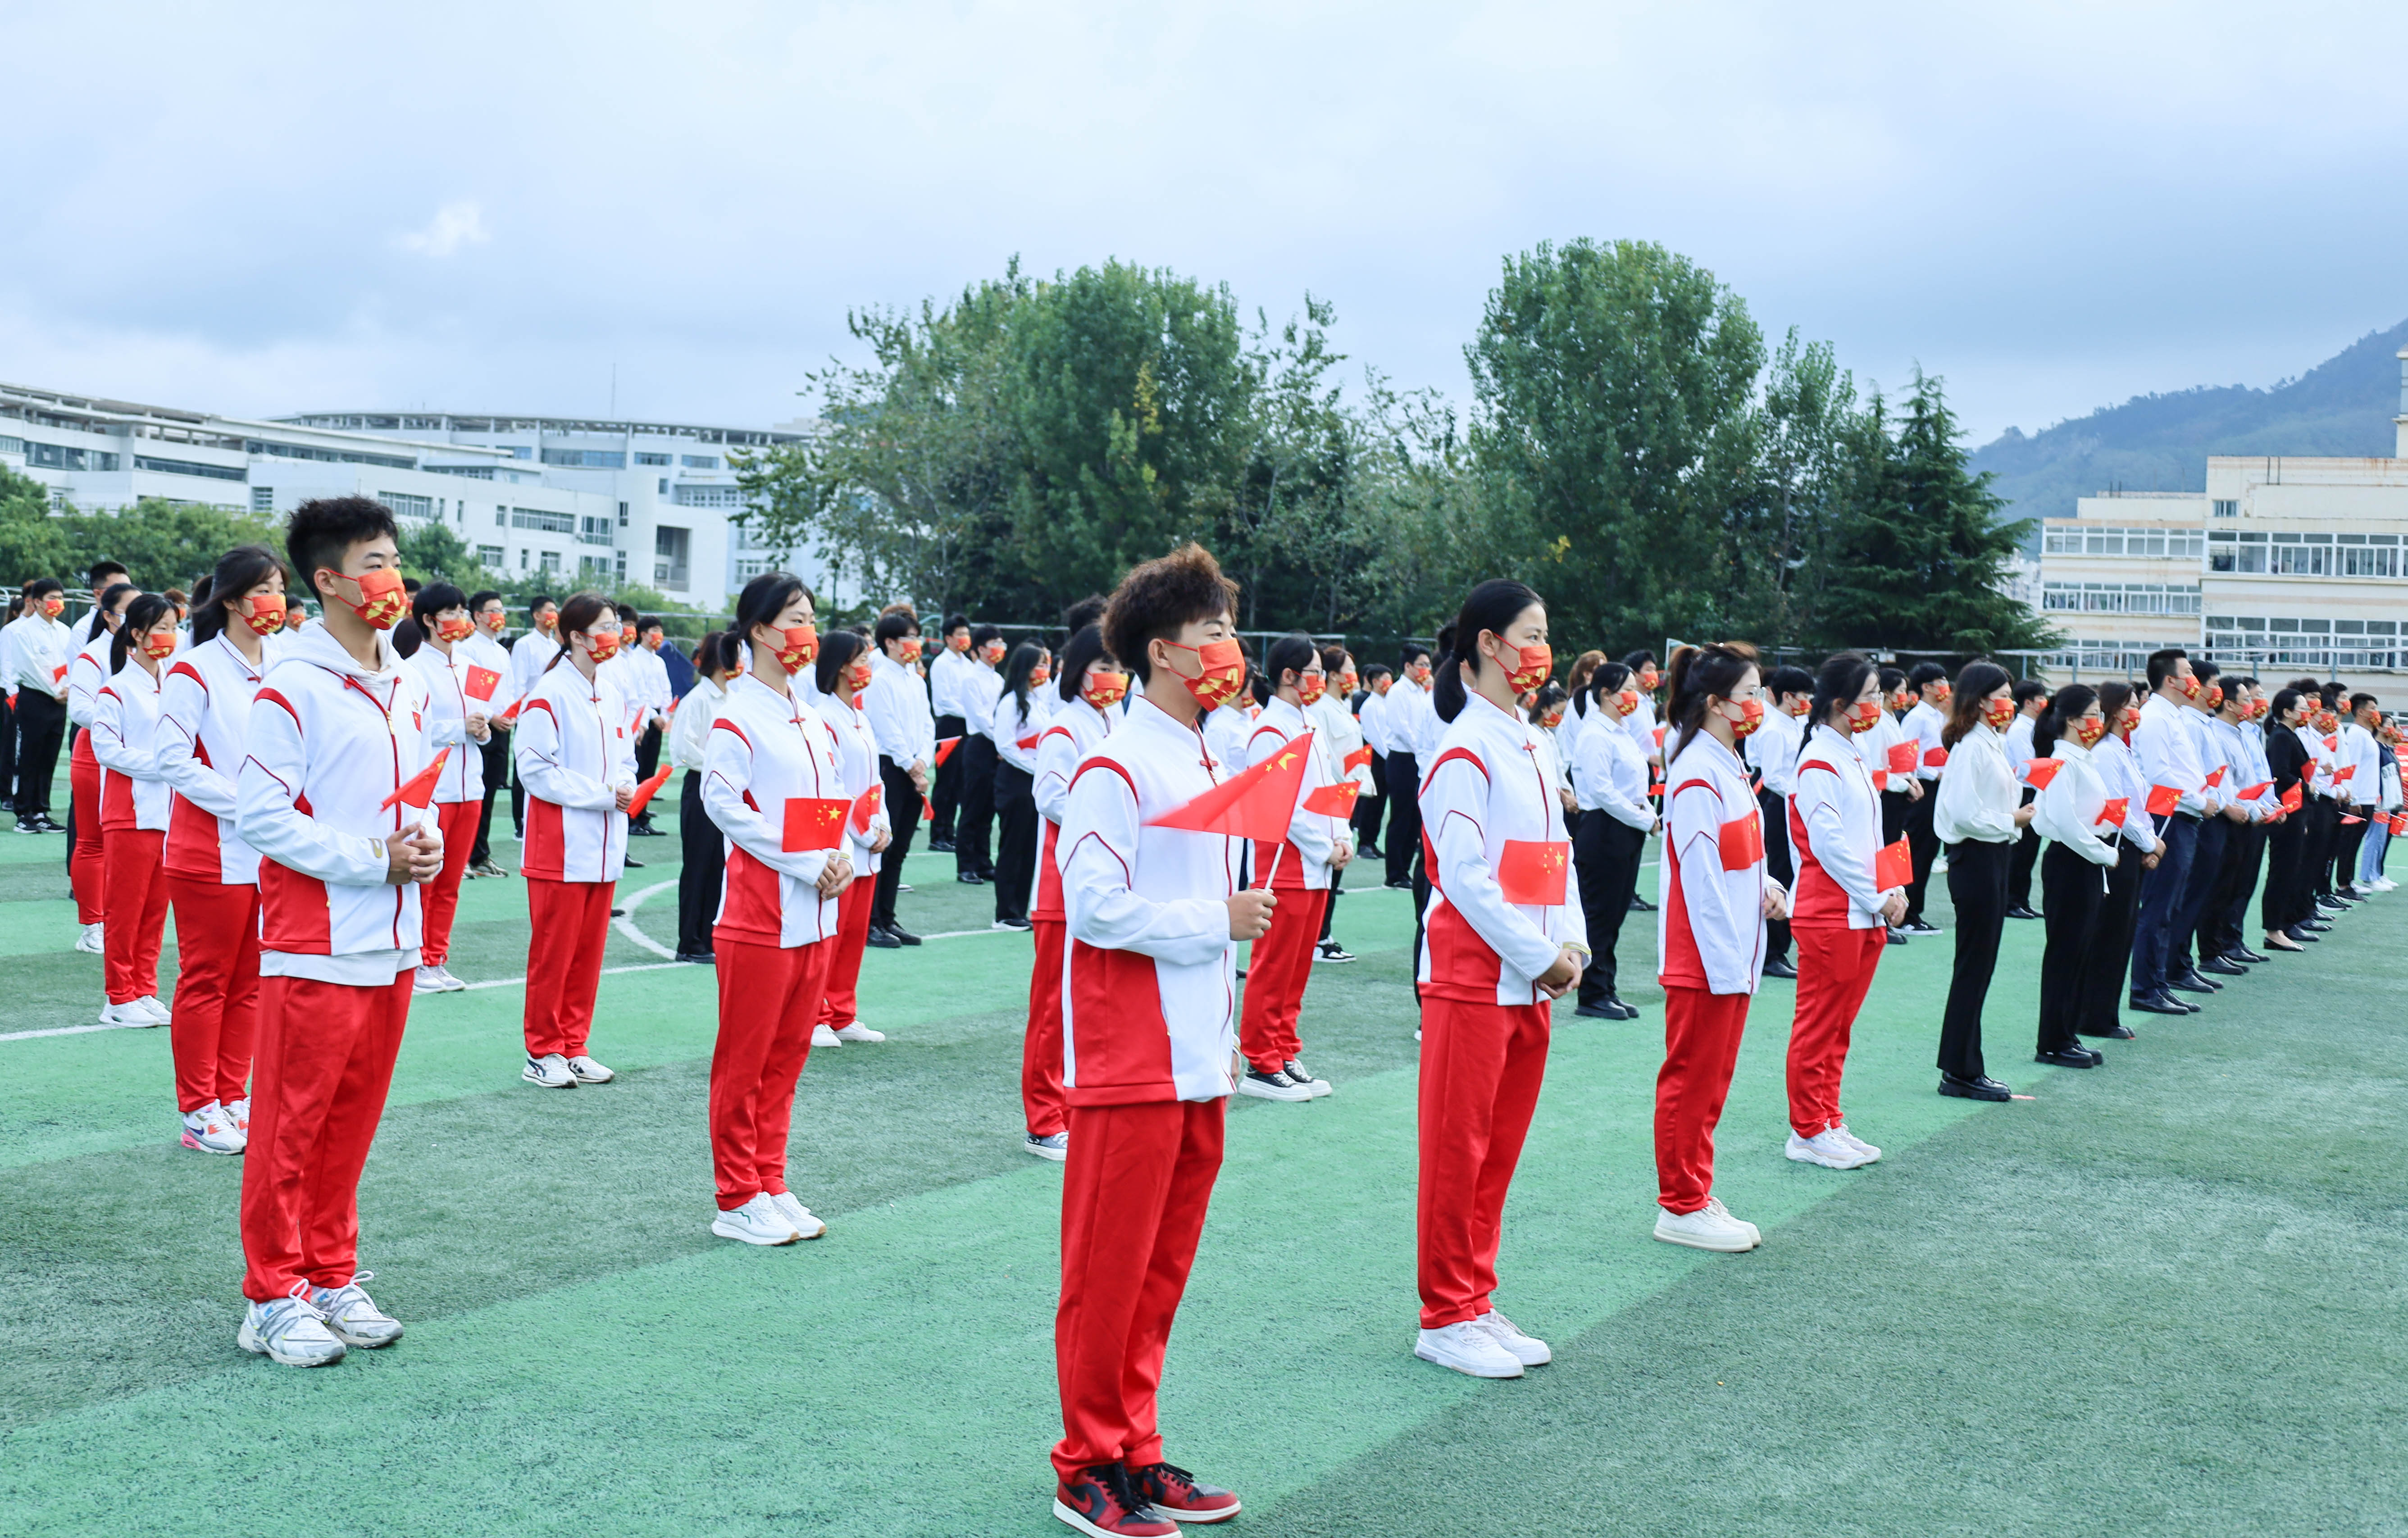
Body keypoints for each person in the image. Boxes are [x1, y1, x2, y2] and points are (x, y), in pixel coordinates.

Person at [1048, 543, 1258, 1533]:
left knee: (1159, 1270)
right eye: (1213, 631)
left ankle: (1137, 1446)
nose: (1230, 648)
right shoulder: (1114, 761)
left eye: (1230, 629)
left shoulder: (1208, 755)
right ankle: (1085, 1465)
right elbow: (1093, 906)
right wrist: (1218, 920)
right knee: (1107, 1273)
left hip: (1195, 1053)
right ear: (1162, 652)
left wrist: (1226, 1021)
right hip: (1130, 1053)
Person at [233, 494, 441, 1368]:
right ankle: (270, 1296)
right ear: (328, 580)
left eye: (394, 560)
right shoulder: (293, 685)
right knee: (291, 1128)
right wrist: (372, 860)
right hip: (316, 940)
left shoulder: (407, 679)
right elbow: (262, 815)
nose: (393, 578)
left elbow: (410, 795)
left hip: (391, 939)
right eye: (374, 564)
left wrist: (423, 841)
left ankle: (328, 1274)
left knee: (350, 1124)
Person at [1410, 581, 1585, 1379]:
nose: (1543, 650)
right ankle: (1445, 1315)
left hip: (1529, 977)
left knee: (1498, 1150)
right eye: (1532, 634)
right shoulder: (1463, 749)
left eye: (1547, 635)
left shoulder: (1533, 742)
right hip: (1474, 977)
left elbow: (1556, 857)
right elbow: (1465, 875)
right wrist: (1538, 953)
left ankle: (1476, 1296)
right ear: (1488, 643)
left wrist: (1571, 940)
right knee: (1459, 1150)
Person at [699, 573, 851, 1247]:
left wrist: (839, 855)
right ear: (759, 631)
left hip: (814, 914)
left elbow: (830, 800)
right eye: (794, 619)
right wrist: (804, 862)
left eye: (811, 618)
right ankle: (736, 1196)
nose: (807, 631)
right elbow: (723, 803)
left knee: (787, 1057)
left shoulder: (811, 716)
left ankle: (770, 1178)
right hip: (759, 916)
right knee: (746, 1063)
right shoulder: (737, 715)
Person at [1652, 641, 1784, 1251]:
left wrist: (1767, 886)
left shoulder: (1726, 762)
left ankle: (1695, 1192)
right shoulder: (1696, 772)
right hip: (1705, 958)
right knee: (1691, 1083)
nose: (1759, 705)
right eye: (1750, 694)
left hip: (1731, 953)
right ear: (1715, 703)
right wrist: (1725, 964)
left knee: (1710, 1084)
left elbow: (1738, 855)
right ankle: (1680, 1205)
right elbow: (1700, 878)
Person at [157, 546, 287, 1154]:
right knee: (208, 980)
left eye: (280, 588)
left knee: (252, 981)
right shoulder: (195, 668)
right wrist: (249, 802)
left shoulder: (286, 663)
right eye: (263, 589)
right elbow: (173, 760)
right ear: (232, 600)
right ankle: (198, 1109)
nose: (275, 601)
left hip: (272, 850)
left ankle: (234, 1096)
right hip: (209, 849)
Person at [1783, 652, 1903, 1169]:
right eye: (1870, 696)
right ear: (1839, 703)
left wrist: (1890, 888)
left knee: (1838, 1027)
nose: (1879, 704)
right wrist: (1877, 896)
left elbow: (1867, 837)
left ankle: (1827, 1118)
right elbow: (1829, 844)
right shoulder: (1818, 760)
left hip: (1860, 911)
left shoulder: (1850, 753)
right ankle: (1807, 1130)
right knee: (1818, 1026)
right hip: (1831, 912)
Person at [512, 592, 635, 1089]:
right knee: (554, 955)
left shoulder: (611, 690)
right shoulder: (549, 692)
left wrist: (624, 784)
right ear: (576, 636)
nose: (614, 634)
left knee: (587, 954)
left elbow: (625, 757)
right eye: (604, 626)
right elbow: (535, 771)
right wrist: (604, 795)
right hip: (559, 847)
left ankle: (574, 1045)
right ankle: (542, 1051)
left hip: (604, 844)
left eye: (615, 625)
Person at [1234, 632, 1350, 1102]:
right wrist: (1324, 847)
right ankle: (1261, 1061)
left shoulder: (1309, 723)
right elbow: (1279, 805)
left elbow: (1327, 789)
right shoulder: (1269, 730)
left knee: (1297, 967)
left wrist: (1341, 836)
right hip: (1283, 867)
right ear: (1289, 676)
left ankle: (1283, 1050)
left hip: (1314, 866)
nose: (1320, 681)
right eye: (1315, 673)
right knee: (1274, 966)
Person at [1024, 623, 1124, 1162]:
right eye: (1104, 666)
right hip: (1062, 886)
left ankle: (1073, 1107)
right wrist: (1105, 818)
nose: (1115, 677)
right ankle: (1044, 1120)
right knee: (1052, 1009)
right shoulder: (1064, 728)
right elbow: (1050, 797)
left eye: (1120, 667)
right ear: (1078, 670)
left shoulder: (1115, 722)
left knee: (1089, 1006)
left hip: (1103, 883)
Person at [1930, 662, 2029, 1100]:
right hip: (1975, 858)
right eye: (2002, 695)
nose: (2009, 703)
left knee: (1979, 965)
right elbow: (1962, 814)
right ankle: (1960, 1070)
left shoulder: (1990, 743)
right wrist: (2012, 819)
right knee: (1973, 966)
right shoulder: (1971, 747)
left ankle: (1965, 1065)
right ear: (1981, 700)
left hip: (1992, 855)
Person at [397, 583, 493, 994]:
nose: (459, 620)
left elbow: (480, 724)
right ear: (429, 620)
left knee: (451, 882)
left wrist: (482, 731)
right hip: (435, 792)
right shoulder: (413, 670)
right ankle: (416, 960)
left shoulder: (471, 666)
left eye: (461, 612)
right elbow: (413, 730)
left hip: (470, 786)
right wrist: (459, 728)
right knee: (427, 881)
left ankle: (437, 959)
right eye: (450, 613)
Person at [91, 593, 182, 1029]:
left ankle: (144, 989)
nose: (170, 637)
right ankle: (118, 997)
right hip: (130, 812)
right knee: (125, 910)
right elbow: (106, 749)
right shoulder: (117, 689)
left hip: (168, 812)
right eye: (162, 628)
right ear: (138, 634)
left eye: (174, 628)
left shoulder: (176, 686)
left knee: (154, 911)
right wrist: (163, 766)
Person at [811, 629, 894, 1047]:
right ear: (842, 666)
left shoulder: (860, 716)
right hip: (842, 841)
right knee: (831, 933)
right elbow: (834, 786)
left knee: (854, 935)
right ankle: (816, 1017)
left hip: (869, 842)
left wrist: (884, 825)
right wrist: (863, 831)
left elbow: (875, 781)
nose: (868, 668)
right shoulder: (822, 716)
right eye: (862, 660)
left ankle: (843, 1013)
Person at [2028, 684, 2117, 1069]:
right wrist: (2104, 852)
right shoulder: (2062, 761)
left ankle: (2065, 1034)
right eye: (2092, 715)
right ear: (2071, 720)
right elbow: (2062, 823)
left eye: (2099, 715)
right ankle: (2052, 1041)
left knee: (2079, 951)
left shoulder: (2080, 758)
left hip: (2083, 860)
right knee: (2065, 952)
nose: (2098, 722)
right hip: (2071, 861)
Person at [2126, 649, 2212, 1015]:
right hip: (2169, 817)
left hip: (2183, 818)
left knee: (2170, 908)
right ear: (2170, 680)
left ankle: (2159, 984)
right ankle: (2145, 989)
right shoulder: (2155, 718)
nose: (2194, 680)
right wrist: (2199, 800)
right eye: (2188, 672)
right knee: (2158, 908)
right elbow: (2158, 775)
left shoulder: (2173, 715)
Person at [1569, 663, 1651, 1020]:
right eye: (1627, 689)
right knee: (1600, 913)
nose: (1634, 695)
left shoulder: (1622, 732)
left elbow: (1635, 786)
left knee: (1615, 912)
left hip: (1626, 826)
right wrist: (1644, 819)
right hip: (1603, 828)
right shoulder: (1595, 734)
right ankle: (1591, 993)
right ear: (1605, 694)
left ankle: (1606, 987)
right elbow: (1602, 791)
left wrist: (1646, 814)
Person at [2081, 682, 2164, 1031]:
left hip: (2132, 848)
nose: (2137, 710)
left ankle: (2106, 1014)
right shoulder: (2104, 752)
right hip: (2118, 850)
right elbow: (2118, 811)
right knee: (2110, 934)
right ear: (2114, 710)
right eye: (2132, 704)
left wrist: (2149, 842)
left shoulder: (2122, 749)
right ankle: (2094, 1016)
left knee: (2122, 933)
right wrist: (2148, 843)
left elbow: (2139, 806)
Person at [67, 582, 139, 952]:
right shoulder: (93, 654)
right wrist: (121, 718)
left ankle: (121, 920)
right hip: (95, 754)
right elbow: (79, 709)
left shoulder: (147, 654)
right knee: (93, 841)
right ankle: (93, 925)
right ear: (109, 616)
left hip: (138, 756)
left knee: (132, 843)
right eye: (129, 610)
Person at [862, 610, 933, 946]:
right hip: (892, 768)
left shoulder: (916, 680)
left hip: (913, 770)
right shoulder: (880, 679)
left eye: (917, 637)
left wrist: (923, 761)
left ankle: (888, 918)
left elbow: (928, 724)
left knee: (901, 848)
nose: (916, 643)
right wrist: (911, 765)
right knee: (884, 847)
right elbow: (886, 728)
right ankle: (871, 921)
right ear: (890, 642)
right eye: (910, 637)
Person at [1749, 664, 1812, 979]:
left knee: (1790, 874)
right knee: (1779, 875)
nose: (1808, 702)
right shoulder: (1774, 729)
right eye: (1804, 696)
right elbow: (1773, 776)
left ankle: (1779, 949)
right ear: (1787, 697)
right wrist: (1801, 792)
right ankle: (1770, 952)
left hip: (1793, 805)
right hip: (1779, 805)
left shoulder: (1796, 725)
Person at [1308, 643, 1367, 964]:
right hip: (1333, 795)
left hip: (1348, 793)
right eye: (1349, 670)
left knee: (1338, 866)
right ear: (1332, 675)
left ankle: (1323, 934)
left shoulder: (1341, 706)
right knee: (1330, 866)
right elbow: (1327, 758)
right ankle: (1318, 938)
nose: (1353, 676)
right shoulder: (1320, 709)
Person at [989, 640, 1052, 932]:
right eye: (1040, 664)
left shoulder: (1039, 700)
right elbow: (1005, 745)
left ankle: (1020, 909)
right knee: (1013, 846)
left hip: (1035, 781)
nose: (1045, 670)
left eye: (1046, 664)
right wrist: (1036, 768)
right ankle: (1005, 913)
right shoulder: (1011, 702)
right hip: (1016, 780)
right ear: (1025, 668)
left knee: (1030, 848)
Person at [4, 577, 73, 833]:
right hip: (34, 699)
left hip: (59, 701)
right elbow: (29, 669)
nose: (57, 603)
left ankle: (41, 810)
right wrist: (56, 691)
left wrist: (67, 689)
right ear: (36, 602)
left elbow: (70, 664)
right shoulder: (23, 632)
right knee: (29, 756)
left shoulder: (65, 631)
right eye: (52, 598)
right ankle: (24, 813)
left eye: (60, 598)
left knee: (49, 756)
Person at [462, 591, 517, 878]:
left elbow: (509, 690)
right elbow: (474, 694)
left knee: (491, 791)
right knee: (475, 793)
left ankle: (480, 854)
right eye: (494, 610)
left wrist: (510, 714)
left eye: (501, 610)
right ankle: (466, 855)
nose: (500, 615)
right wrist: (493, 717)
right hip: (482, 728)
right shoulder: (470, 650)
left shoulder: (501, 652)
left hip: (502, 729)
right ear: (478, 616)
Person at [1897, 661, 1951, 934]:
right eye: (1940, 682)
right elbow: (1907, 759)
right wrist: (1933, 774)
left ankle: (1914, 911)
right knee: (1917, 852)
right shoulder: (1917, 717)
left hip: (1938, 788)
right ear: (1927, 687)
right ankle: (1906, 914)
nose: (1946, 686)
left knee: (1929, 851)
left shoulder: (1939, 716)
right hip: (1923, 789)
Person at [956, 623, 1008, 887]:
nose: (999, 648)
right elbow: (981, 718)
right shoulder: (971, 678)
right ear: (980, 649)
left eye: (1001, 643)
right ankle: (966, 866)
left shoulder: (999, 679)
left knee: (989, 808)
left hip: (998, 746)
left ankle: (984, 862)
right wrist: (1002, 743)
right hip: (980, 745)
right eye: (994, 644)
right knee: (973, 807)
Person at [505, 595, 559, 839]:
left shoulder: (556, 646)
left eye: (555, 610)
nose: (554, 615)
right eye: (549, 610)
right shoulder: (525, 645)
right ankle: (520, 823)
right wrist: (521, 714)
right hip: (529, 713)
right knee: (523, 769)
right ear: (537, 615)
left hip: (551, 715)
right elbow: (518, 682)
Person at [1384, 644, 1434, 890]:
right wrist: (1421, 748)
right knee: (1401, 816)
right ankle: (1394, 873)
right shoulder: (1398, 691)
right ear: (1408, 666)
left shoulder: (1423, 692)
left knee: (1415, 817)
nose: (1426, 669)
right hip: (1402, 759)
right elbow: (1401, 728)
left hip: (1419, 760)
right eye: (1422, 665)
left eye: (1428, 665)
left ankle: (1405, 869)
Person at [2001, 678, 2051, 920]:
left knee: (2030, 850)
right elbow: (2027, 766)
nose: (2045, 702)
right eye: (2041, 698)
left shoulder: (2034, 727)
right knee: (2021, 851)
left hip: (2035, 790)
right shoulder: (2021, 729)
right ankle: (2012, 901)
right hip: (2025, 792)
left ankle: (2022, 900)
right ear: (2029, 702)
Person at [926, 612, 975, 851]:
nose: (965, 637)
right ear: (948, 638)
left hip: (967, 727)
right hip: (949, 726)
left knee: (960, 783)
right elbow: (944, 701)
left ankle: (950, 832)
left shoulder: (969, 664)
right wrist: (971, 713)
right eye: (960, 634)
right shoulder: (942, 664)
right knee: (946, 780)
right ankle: (938, 835)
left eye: (967, 633)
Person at [625, 615, 674, 837]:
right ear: (643, 634)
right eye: (655, 630)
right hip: (642, 719)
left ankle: (643, 818)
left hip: (657, 720)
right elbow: (639, 694)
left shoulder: (659, 661)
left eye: (660, 630)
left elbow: (666, 690)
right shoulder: (634, 659)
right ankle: (632, 819)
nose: (659, 635)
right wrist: (653, 716)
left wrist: (665, 715)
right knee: (638, 769)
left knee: (649, 773)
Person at [1355, 662, 1393, 858]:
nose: (1389, 682)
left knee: (1381, 803)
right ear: (1376, 682)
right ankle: (1364, 843)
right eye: (1385, 679)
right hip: (1376, 758)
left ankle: (1372, 841)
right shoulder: (1370, 706)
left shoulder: (1386, 703)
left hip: (1386, 757)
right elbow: (1374, 737)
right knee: (1371, 801)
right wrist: (1389, 756)